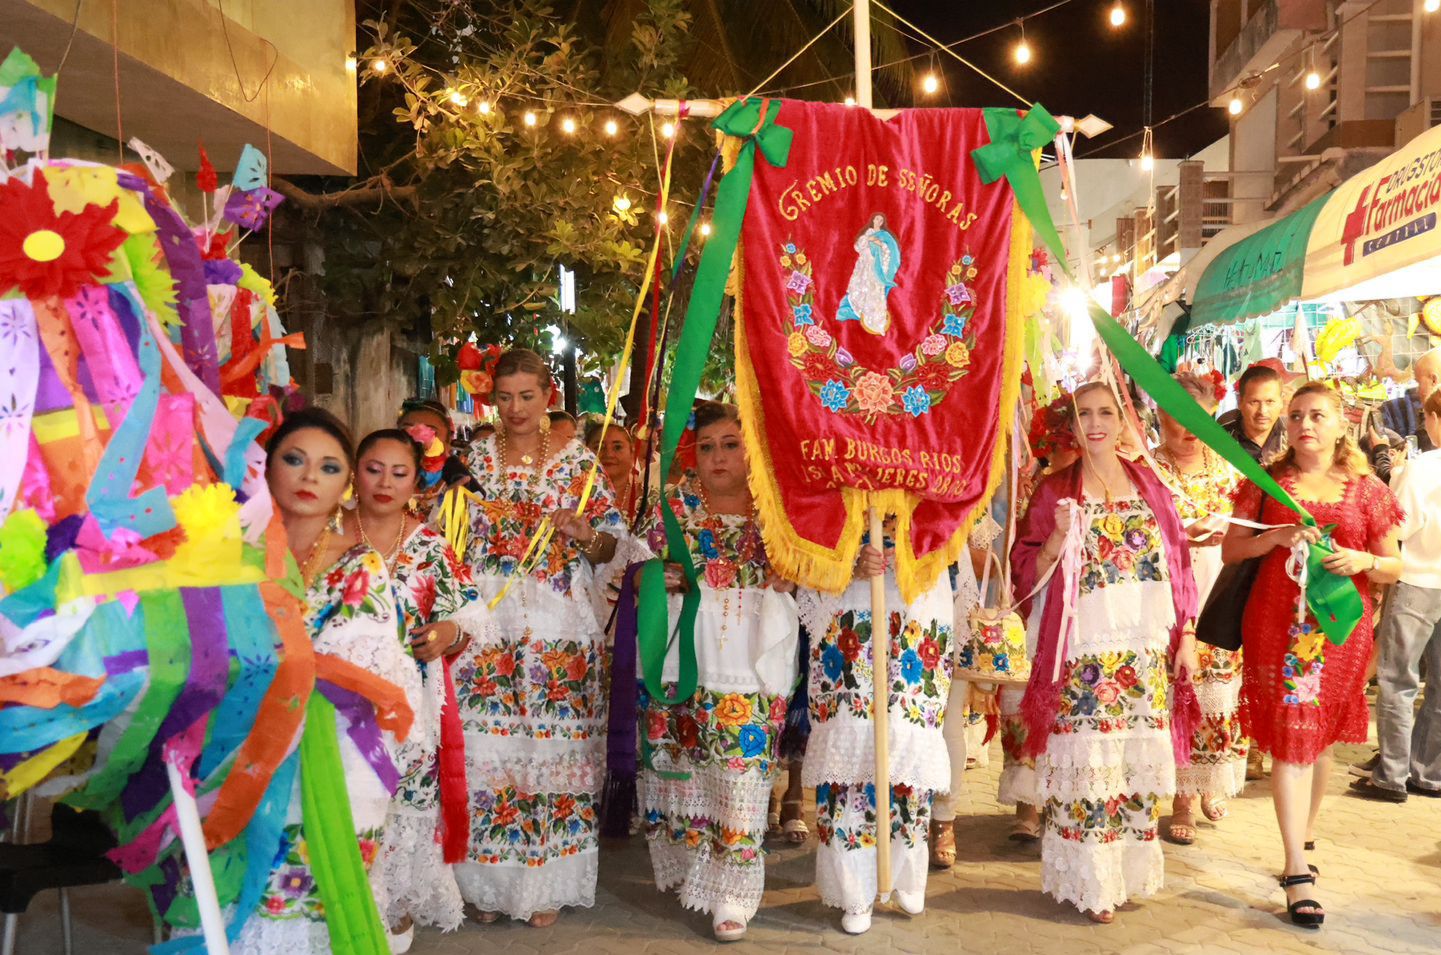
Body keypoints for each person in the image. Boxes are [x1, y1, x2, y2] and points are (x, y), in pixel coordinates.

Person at [1012, 381, 1200, 925]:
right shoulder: (1052, 490)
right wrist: (1055, 539)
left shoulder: (1150, 484)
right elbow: (1025, 570)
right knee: (1088, 764)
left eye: (1105, 412)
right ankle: (1090, 878)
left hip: (1143, 653)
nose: (1094, 422)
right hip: (1082, 653)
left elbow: (1179, 562)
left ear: (1124, 420)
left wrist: (1186, 635)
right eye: (1083, 413)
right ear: (1071, 423)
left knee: (1130, 766)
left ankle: (1124, 873)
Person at [235, 408, 422, 953]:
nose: (309, 476)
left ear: (345, 486)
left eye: (329, 466)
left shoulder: (360, 565)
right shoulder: (230, 553)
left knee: (313, 903)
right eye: (294, 459)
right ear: (267, 469)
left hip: (334, 758)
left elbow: (360, 670)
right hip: (235, 746)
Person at [451, 348, 627, 926]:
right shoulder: (473, 458)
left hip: (560, 628)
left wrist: (583, 536)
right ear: (491, 398)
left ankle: (543, 889)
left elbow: (611, 547)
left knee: (554, 751)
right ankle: (485, 885)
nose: (516, 408)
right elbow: (447, 535)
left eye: (527, 396)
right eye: (505, 397)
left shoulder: (579, 462)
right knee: (485, 751)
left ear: (548, 396)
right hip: (487, 625)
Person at [1221, 381, 1402, 928]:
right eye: (1296, 414)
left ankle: (1305, 832)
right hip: (1282, 627)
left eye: (1317, 415)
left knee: (1318, 738)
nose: (1304, 424)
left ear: (1341, 422)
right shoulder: (1267, 482)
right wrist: (1274, 538)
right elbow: (1232, 549)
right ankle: (1296, 866)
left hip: (1341, 631)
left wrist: (1359, 559)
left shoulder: (1367, 489)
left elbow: (1393, 564)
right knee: (1295, 739)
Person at [638, 401, 799, 942]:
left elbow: (812, 569)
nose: (718, 457)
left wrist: (792, 579)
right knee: (689, 762)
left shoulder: (779, 511)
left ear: (751, 449)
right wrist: (655, 576)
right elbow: (636, 569)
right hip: (687, 656)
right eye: (706, 447)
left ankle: (733, 893)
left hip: (751, 661)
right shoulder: (675, 506)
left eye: (731, 444)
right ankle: (694, 875)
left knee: (740, 768)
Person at [348, 428, 490, 950]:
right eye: (373, 469)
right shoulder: (332, 534)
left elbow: (470, 611)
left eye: (399, 472)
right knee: (350, 805)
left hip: (411, 707)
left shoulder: (430, 545)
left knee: (403, 806)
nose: (385, 482)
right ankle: (350, 906)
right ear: (354, 472)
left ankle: (398, 909)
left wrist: (449, 632)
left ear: (418, 480)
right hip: (340, 704)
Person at [797, 522, 955, 934]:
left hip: (915, 609)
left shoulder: (935, 467)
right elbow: (804, 538)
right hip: (849, 613)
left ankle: (904, 868)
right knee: (849, 743)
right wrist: (848, 563)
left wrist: (916, 547)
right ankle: (855, 887)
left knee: (907, 739)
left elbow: (957, 529)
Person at [1153, 371, 1246, 844]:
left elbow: (1248, 528)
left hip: (1218, 581)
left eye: (1198, 417)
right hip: (1168, 587)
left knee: (1220, 689)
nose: (1187, 427)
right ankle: (1181, 798)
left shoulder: (1230, 468)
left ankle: (1211, 782)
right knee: (1179, 690)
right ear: (1159, 415)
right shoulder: (1148, 469)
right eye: (1176, 415)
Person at [1352, 388, 1441, 801]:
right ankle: (1428, 773)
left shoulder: (1423, 469)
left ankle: (1391, 775)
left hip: (1417, 581)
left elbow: (1398, 528)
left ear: (1434, 418)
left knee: (1398, 681)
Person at [1219, 361, 1288, 465]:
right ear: (1240, 402)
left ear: (1281, 401)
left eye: (1270, 401)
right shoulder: (1221, 440)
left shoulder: (1295, 439)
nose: (1262, 411)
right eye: (1254, 402)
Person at [1380, 346, 1439, 453]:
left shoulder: (1428, 432)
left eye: (1419, 382)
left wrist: (1380, 450)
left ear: (1434, 380)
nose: (1417, 391)